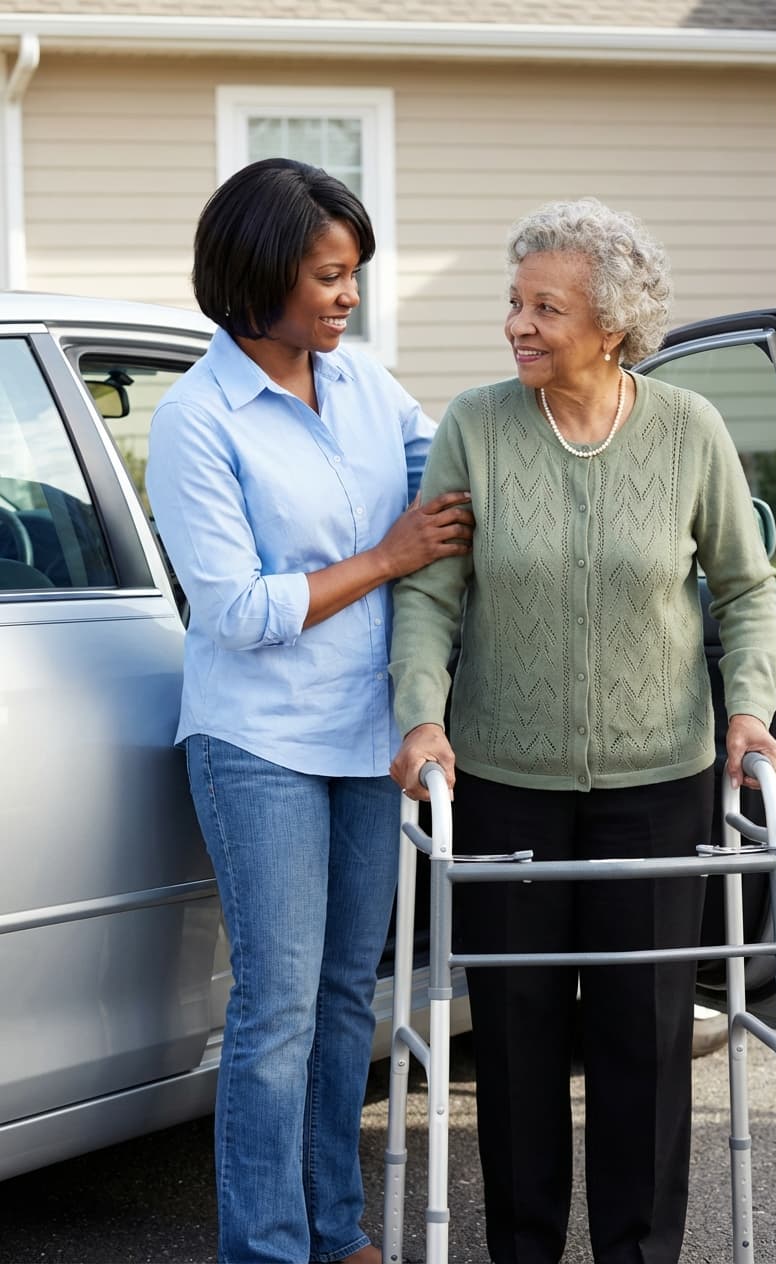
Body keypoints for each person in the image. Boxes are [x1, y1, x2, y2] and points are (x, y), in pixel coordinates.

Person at [388, 197, 776, 1264]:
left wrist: (748, 705)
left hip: (661, 776)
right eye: (513, 303)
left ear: (611, 325)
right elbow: (429, 595)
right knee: (513, 1042)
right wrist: (421, 718)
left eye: (543, 307)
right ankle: (522, 1251)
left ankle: (638, 1252)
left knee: (643, 1040)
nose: (517, 324)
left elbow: (746, 592)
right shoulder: (475, 424)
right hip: (505, 780)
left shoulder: (687, 429)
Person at [145, 157, 473, 1264]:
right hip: (258, 740)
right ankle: (268, 1247)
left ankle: (337, 1229)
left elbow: (454, 490)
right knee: (277, 1009)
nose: (347, 297)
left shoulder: (368, 387)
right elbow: (235, 609)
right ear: (258, 273)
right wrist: (384, 556)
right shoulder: (197, 419)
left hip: (368, 735)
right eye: (328, 276)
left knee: (345, 1000)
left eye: (354, 276)